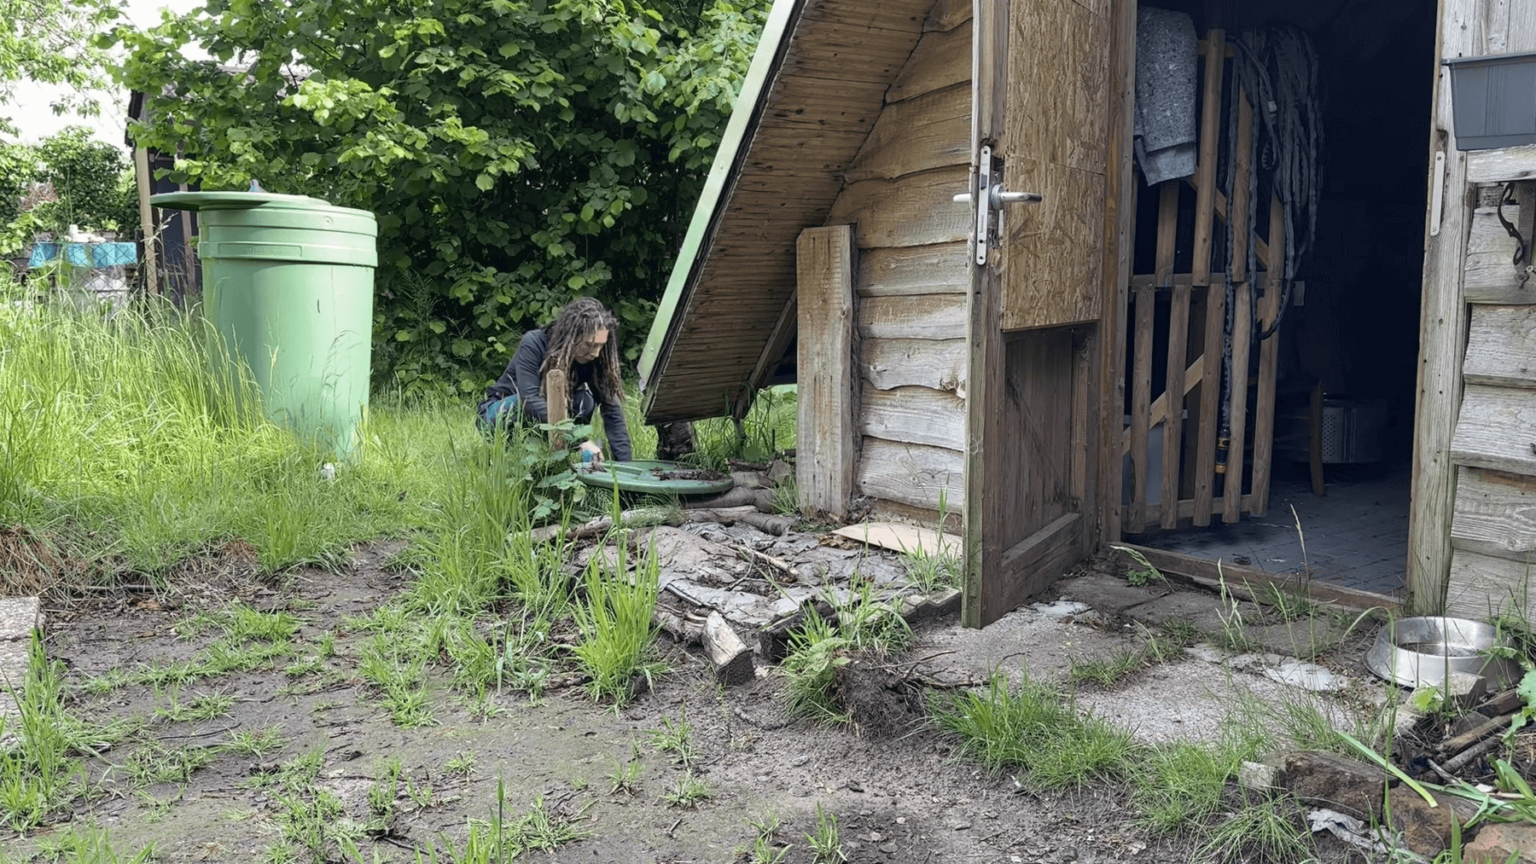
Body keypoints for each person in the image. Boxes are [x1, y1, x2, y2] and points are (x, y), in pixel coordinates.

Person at [477, 297, 633, 466]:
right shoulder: (534, 342)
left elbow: (612, 411)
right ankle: (511, 458)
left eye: (600, 346)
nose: (595, 353)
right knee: (520, 403)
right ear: (571, 336)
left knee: (584, 401)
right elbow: (529, 401)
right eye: (589, 345)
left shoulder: (594, 360)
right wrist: (580, 439)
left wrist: (626, 468)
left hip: (547, 421)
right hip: (500, 412)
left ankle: (560, 455)